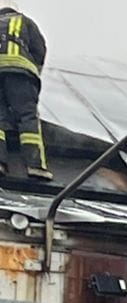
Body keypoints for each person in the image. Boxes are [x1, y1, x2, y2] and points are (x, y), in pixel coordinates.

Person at [0, 6, 48, 180]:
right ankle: (35, 166)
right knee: (27, 116)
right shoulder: (25, 22)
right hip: (21, 73)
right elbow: (39, 50)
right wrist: (35, 71)